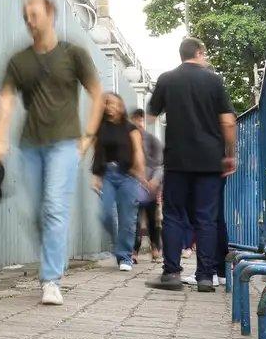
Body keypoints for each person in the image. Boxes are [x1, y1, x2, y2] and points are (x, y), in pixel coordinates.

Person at [0, 0, 104, 306]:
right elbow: (6, 100)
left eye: (34, 12)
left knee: (54, 206)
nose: (29, 19)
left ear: (50, 13)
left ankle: (51, 279)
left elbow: (98, 94)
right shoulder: (19, 61)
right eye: (25, 14)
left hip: (65, 144)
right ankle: (54, 257)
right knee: (34, 212)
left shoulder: (74, 54)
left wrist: (89, 136)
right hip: (30, 146)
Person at [145, 38, 236, 293]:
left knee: (173, 215)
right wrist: (229, 154)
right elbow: (228, 122)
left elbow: (150, 115)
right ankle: (206, 277)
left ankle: (171, 273)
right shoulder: (214, 80)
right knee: (206, 218)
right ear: (199, 52)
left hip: (177, 159)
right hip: (210, 160)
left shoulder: (167, 79)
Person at [91, 93, 147, 272]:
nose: (111, 107)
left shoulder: (130, 128)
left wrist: (141, 173)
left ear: (121, 106)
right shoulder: (100, 127)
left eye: (114, 104)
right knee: (106, 213)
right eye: (107, 104)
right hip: (107, 173)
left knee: (127, 219)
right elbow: (97, 152)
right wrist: (97, 176)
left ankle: (124, 256)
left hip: (128, 175)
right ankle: (118, 243)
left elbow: (138, 151)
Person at [131, 108, 164, 262]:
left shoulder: (152, 140)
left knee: (152, 219)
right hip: (134, 184)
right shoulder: (128, 141)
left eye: (141, 119)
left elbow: (159, 165)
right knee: (134, 219)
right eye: (135, 119)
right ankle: (134, 250)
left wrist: (155, 182)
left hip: (151, 185)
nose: (138, 123)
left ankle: (155, 247)